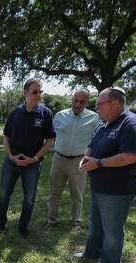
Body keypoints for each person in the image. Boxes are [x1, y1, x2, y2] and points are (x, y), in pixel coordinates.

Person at [78, 87, 136, 263]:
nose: (97, 107)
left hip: (118, 189)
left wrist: (98, 163)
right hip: (99, 185)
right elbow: (92, 145)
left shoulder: (132, 124)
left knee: (112, 230)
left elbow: (130, 156)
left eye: (100, 104)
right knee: (96, 224)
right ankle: (91, 254)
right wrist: (86, 158)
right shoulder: (104, 123)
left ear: (115, 104)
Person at [0, 78, 56, 237]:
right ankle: (0, 223)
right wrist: (10, 155)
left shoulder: (45, 114)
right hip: (12, 163)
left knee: (29, 199)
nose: (38, 95)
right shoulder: (15, 113)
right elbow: (6, 136)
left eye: (40, 92)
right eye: (35, 92)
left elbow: (50, 141)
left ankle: (23, 227)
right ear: (25, 93)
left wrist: (34, 159)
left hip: (32, 165)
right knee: (4, 195)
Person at [48, 89, 99, 227]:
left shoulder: (94, 118)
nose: (77, 104)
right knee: (54, 192)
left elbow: (98, 140)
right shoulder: (59, 116)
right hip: (58, 159)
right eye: (75, 100)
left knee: (77, 193)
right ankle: (52, 219)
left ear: (87, 102)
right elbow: (50, 136)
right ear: (72, 99)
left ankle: (75, 220)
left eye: (82, 102)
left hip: (79, 161)